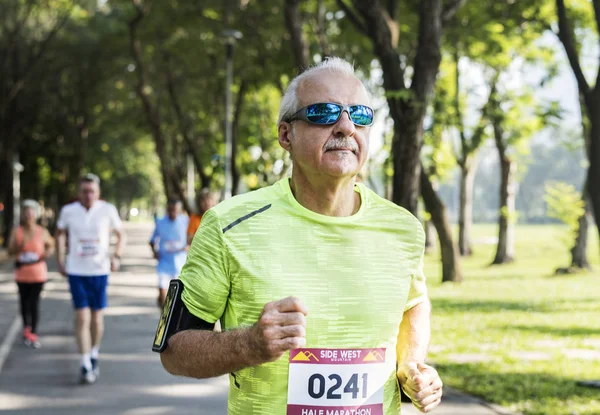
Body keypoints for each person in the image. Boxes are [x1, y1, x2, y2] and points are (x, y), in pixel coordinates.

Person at [159, 57, 442, 414]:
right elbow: (173, 349)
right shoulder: (226, 225)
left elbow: (414, 304)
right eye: (324, 113)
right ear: (285, 135)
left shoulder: (403, 228)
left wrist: (410, 367)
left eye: (360, 115)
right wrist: (248, 345)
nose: (345, 126)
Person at [56, 173, 125, 385]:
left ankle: (94, 353)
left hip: (99, 271)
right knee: (82, 318)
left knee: (96, 318)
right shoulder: (69, 211)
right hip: (77, 271)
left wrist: (117, 256)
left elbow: (121, 234)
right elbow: (59, 233)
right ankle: (85, 362)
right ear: (79, 192)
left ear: (98, 192)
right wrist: (60, 259)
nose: (88, 195)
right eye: (84, 191)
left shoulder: (107, 210)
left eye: (92, 191)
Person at [7, 200, 54, 348]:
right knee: (24, 303)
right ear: (23, 214)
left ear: (35, 214)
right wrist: (19, 247)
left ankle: (33, 331)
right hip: (22, 273)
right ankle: (26, 328)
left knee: (34, 303)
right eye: (26, 212)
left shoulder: (42, 231)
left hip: (38, 273)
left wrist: (47, 253)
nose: (28, 215)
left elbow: (50, 246)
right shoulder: (17, 231)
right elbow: (10, 251)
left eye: (31, 212)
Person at [149, 199, 189, 308]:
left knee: (179, 297)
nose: (172, 213)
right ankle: (164, 317)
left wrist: (189, 246)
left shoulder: (186, 221)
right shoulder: (161, 222)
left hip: (180, 265)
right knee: (163, 292)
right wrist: (155, 251)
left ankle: (171, 317)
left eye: (175, 211)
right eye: (170, 210)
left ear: (180, 210)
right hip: (164, 263)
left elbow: (192, 238)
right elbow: (152, 241)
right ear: (167, 209)